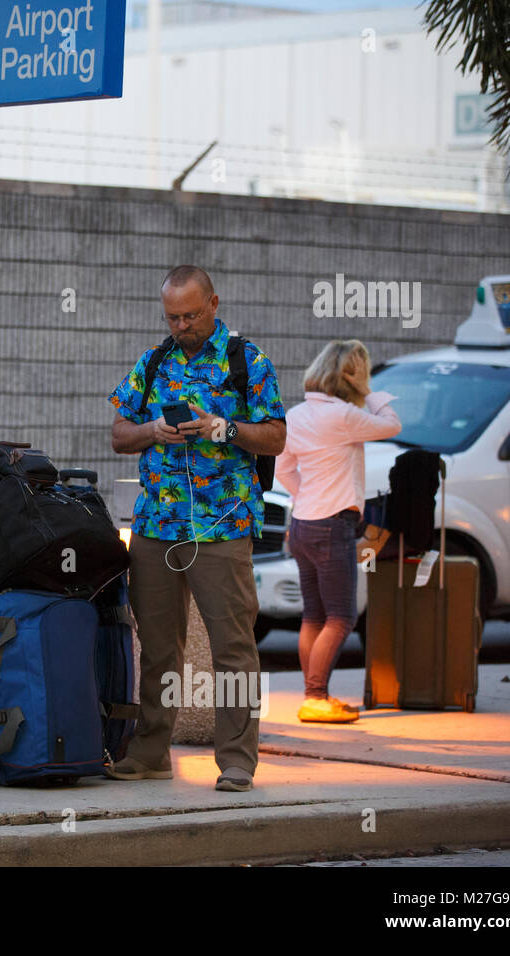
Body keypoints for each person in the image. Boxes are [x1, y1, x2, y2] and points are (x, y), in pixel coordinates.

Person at [108, 265, 287, 792]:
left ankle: (236, 759)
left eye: (190, 315)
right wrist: (152, 430)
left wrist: (223, 427)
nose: (181, 325)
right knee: (158, 646)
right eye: (172, 316)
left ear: (213, 302)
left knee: (233, 646)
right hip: (158, 524)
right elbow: (119, 433)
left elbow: (275, 436)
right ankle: (150, 752)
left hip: (223, 524)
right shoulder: (154, 360)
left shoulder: (247, 361)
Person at [274, 340, 401, 722]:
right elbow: (393, 425)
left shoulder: (295, 415)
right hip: (333, 527)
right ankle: (316, 697)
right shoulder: (345, 415)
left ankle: (315, 694)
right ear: (352, 376)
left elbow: (282, 470)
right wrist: (370, 392)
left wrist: (308, 498)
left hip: (302, 525)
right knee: (342, 616)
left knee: (313, 615)